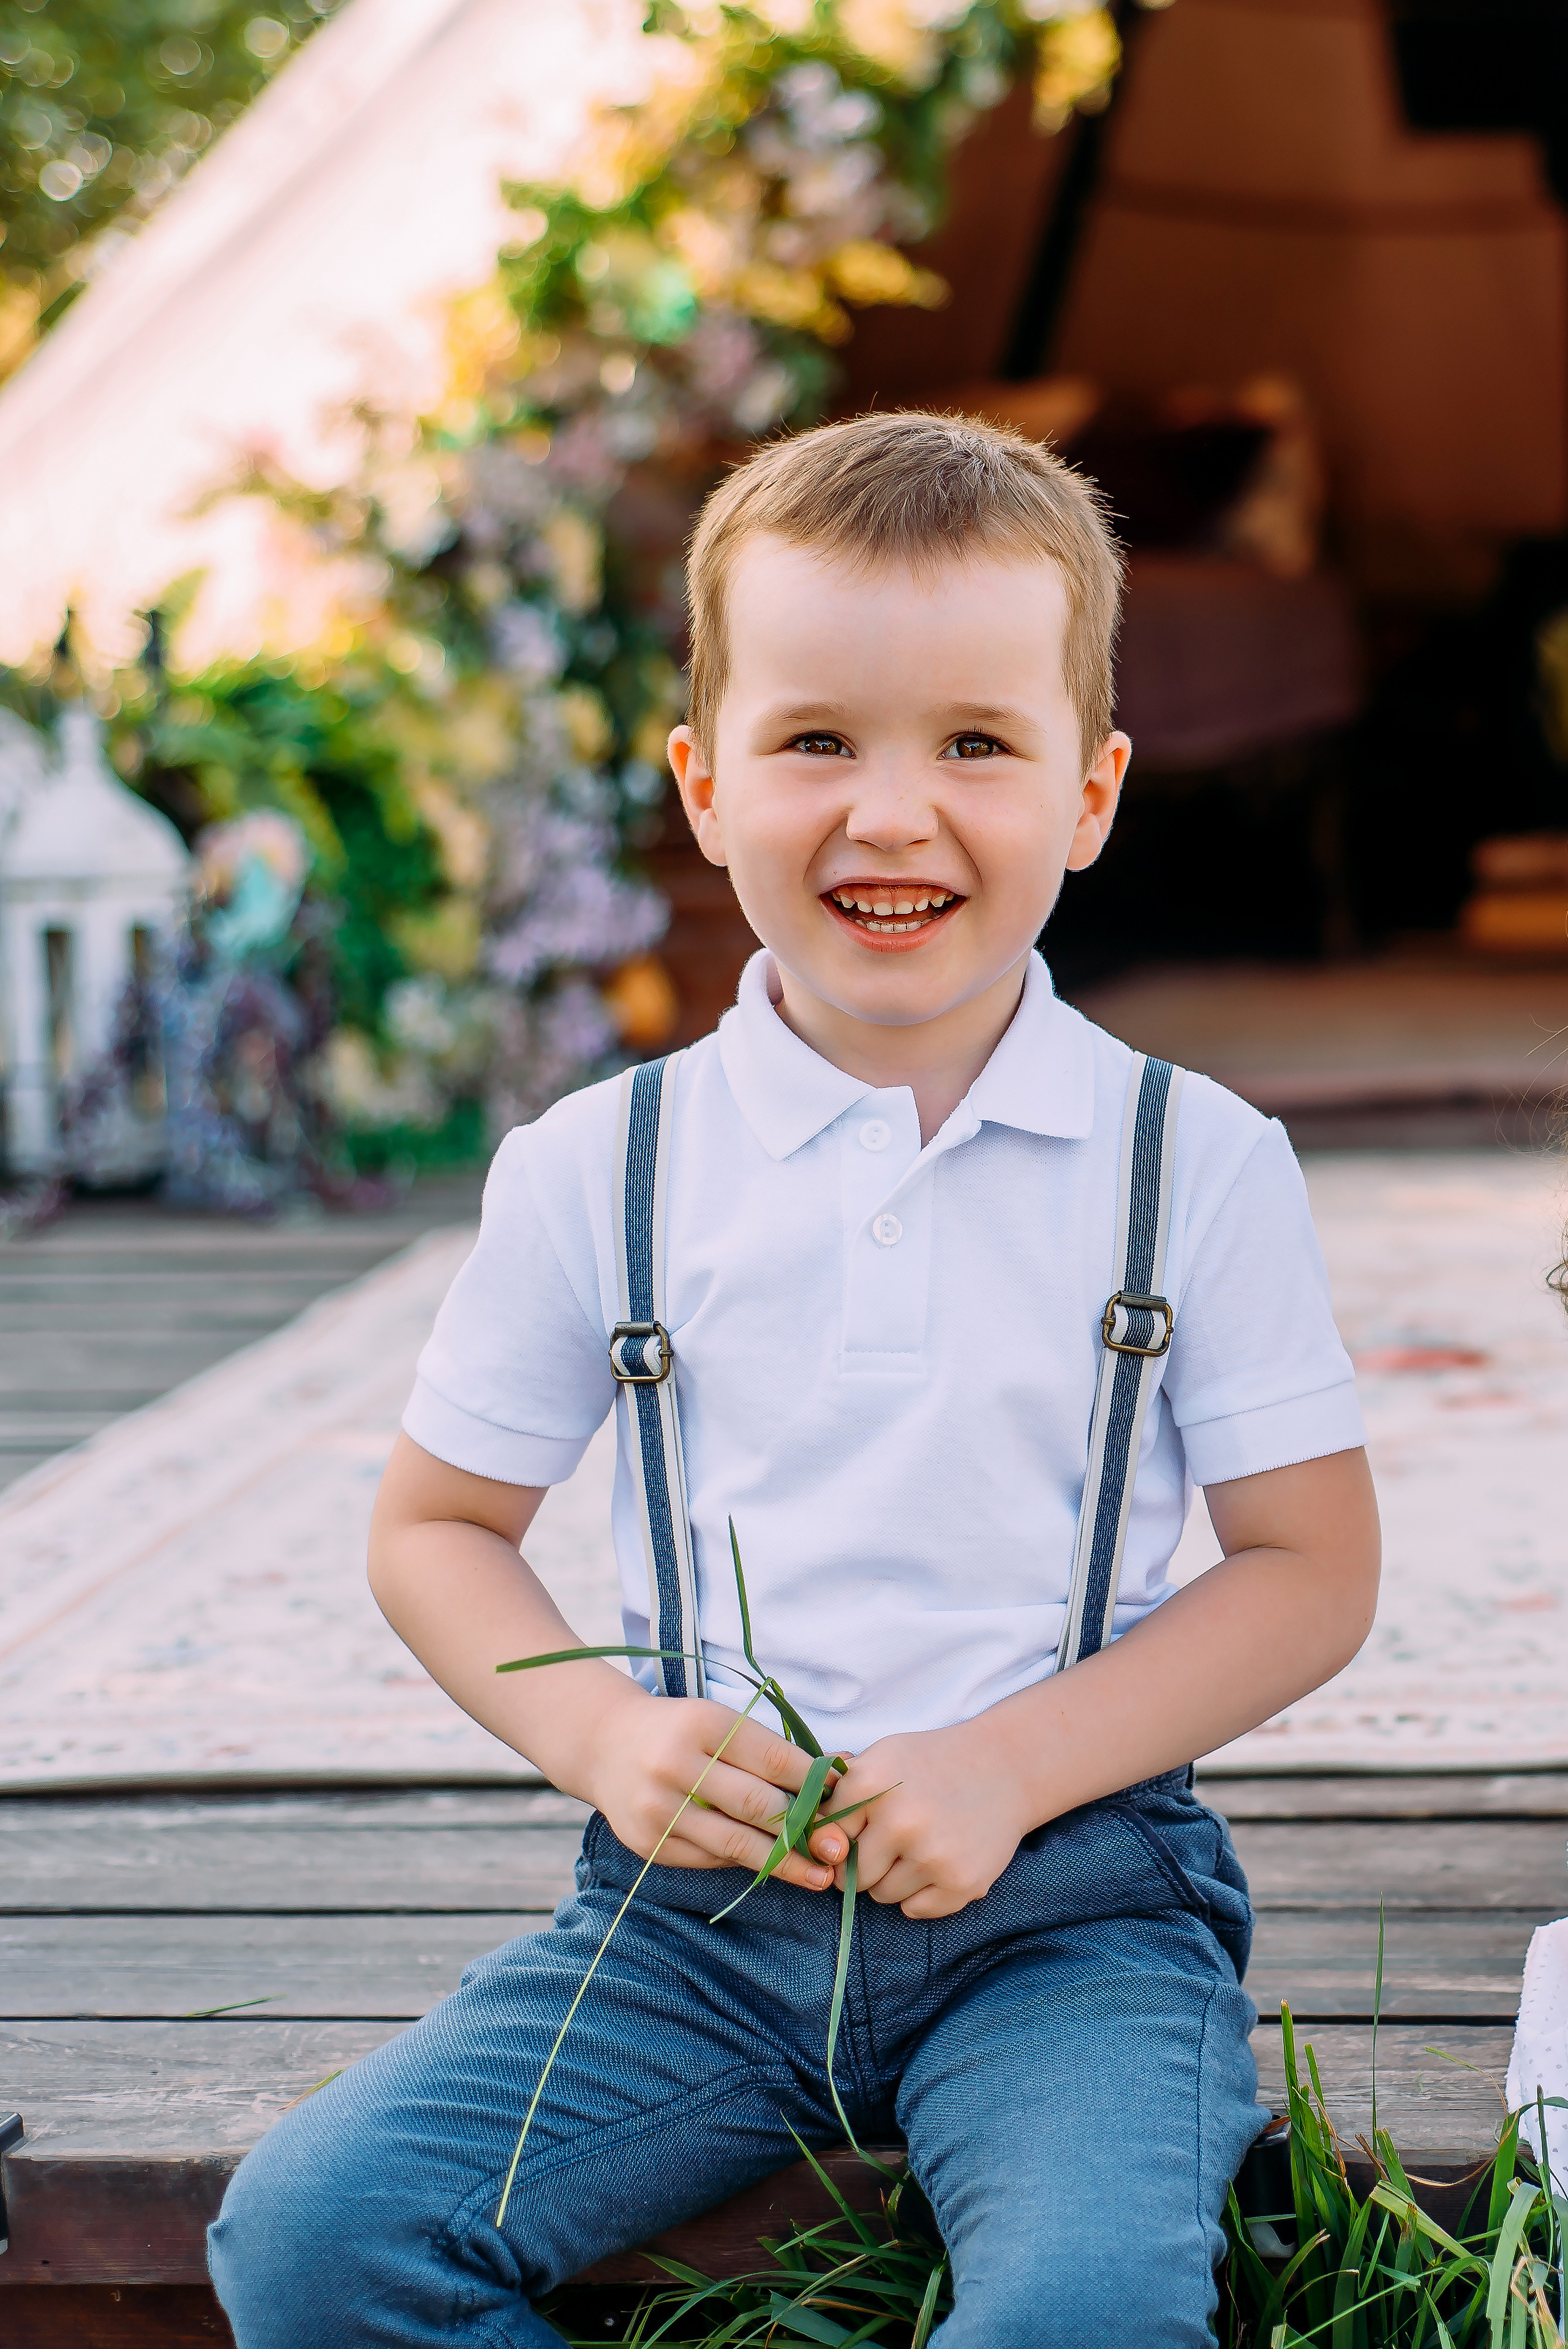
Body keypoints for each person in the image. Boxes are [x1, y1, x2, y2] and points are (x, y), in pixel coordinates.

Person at [209, 411, 1381, 2345]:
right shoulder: (603, 1164)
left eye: (977, 745)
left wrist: (1013, 1764)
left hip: (1071, 1918)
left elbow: (1310, 1571)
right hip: (692, 1927)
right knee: (315, 2236)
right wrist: (603, 1734)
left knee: (1080, 2311)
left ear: (1092, 794)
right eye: (819, 739)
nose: (895, 813)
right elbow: (436, 1527)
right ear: (702, 783)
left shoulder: (1197, 1159)